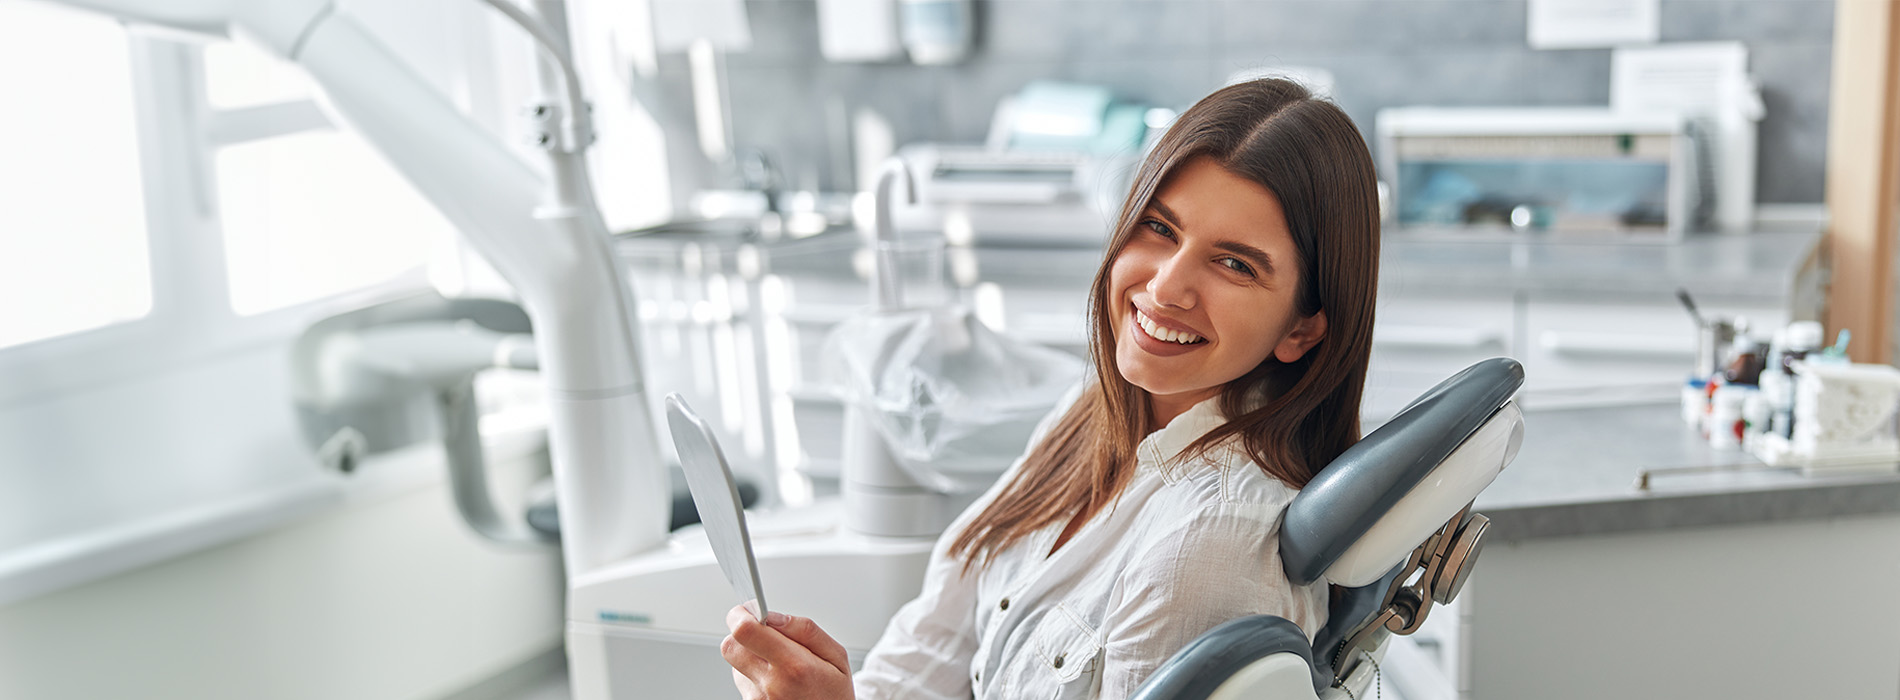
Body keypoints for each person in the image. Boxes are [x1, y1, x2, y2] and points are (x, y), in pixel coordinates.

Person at [719, 77, 1381, 700]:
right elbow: (934, 643)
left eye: (1234, 263)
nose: (1165, 287)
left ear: (1301, 330)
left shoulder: (1209, 548)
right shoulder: (1094, 411)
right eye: (1159, 227)